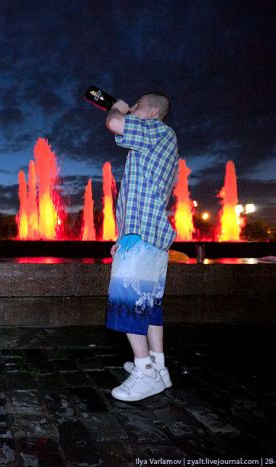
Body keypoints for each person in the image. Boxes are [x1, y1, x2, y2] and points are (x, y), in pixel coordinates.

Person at [104, 92, 179, 401]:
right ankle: (158, 366)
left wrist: (117, 108)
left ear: (152, 112)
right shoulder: (159, 140)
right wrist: (122, 237)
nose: (133, 107)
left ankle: (144, 370)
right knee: (148, 304)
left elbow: (115, 123)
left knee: (127, 301)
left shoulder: (157, 130)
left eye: (138, 105)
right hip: (152, 236)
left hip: (142, 236)